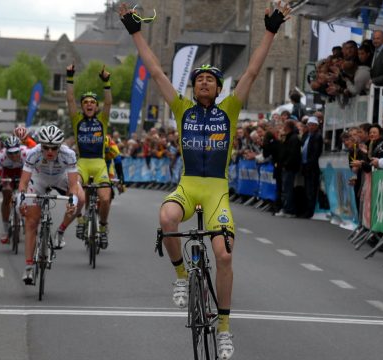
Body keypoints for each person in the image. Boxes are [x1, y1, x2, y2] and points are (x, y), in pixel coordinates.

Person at [119, 3, 291, 359]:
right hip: (188, 185)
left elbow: (254, 71)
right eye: (199, 79)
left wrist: (271, 31)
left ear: (217, 88)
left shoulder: (228, 110)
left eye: (210, 79)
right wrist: (135, 30)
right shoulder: (182, 109)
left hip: (216, 192)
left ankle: (224, 328)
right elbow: (155, 72)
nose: (204, 82)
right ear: (194, 87)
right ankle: (182, 275)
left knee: (223, 256)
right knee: (166, 218)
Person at [17, 125, 84, 284]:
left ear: (60, 146)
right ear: (41, 145)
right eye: (46, 147)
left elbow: (73, 185)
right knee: (31, 221)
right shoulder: (33, 153)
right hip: (39, 179)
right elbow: (24, 183)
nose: (49, 151)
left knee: (81, 198)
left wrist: (72, 202)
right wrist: (22, 201)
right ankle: (28, 268)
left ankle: (60, 231)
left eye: (54, 148)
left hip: (61, 178)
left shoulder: (69, 154)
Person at [65, 63, 113, 249]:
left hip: (99, 163)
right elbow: (69, 100)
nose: (89, 105)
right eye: (86, 102)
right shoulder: (77, 120)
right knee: (77, 194)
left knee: (105, 198)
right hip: (83, 163)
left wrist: (106, 82)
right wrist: (69, 77)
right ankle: (80, 221)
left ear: (96, 106)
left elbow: (108, 102)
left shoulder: (102, 120)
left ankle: (102, 227)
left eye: (92, 102)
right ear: (82, 106)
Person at [0, 135, 30, 245]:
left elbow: (33, 172)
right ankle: (5, 230)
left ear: (20, 149)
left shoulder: (27, 154)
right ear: (6, 151)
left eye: (15, 152)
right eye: (10, 153)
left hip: (22, 172)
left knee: (27, 194)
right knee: (7, 194)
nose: (13, 155)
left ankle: (28, 220)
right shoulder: (1, 157)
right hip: (8, 174)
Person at [300, 117, 323, 218]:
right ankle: (306, 209)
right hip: (305, 165)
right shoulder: (306, 135)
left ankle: (310, 211)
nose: (310, 127)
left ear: (316, 126)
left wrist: (310, 164)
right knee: (307, 189)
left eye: (312, 125)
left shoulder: (317, 136)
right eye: (309, 125)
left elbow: (315, 153)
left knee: (311, 190)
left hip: (312, 167)